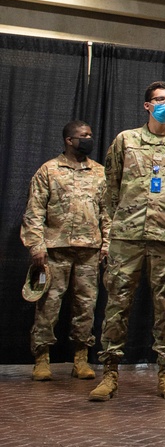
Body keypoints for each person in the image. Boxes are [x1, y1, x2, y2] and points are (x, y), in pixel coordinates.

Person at [89, 81, 165, 402]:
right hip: (127, 236)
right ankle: (109, 374)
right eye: (161, 99)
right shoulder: (126, 140)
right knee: (117, 303)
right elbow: (109, 188)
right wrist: (114, 227)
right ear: (147, 105)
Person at [20, 121, 109, 381]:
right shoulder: (49, 171)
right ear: (69, 141)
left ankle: (80, 358)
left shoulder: (100, 173)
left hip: (89, 250)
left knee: (86, 305)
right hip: (55, 250)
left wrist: (106, 243)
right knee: (49, 305)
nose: (88, 139)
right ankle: (41, 358)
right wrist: (36, 245)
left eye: (90, 135)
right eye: (83, 136)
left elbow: (107, 213)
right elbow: (34, 212)